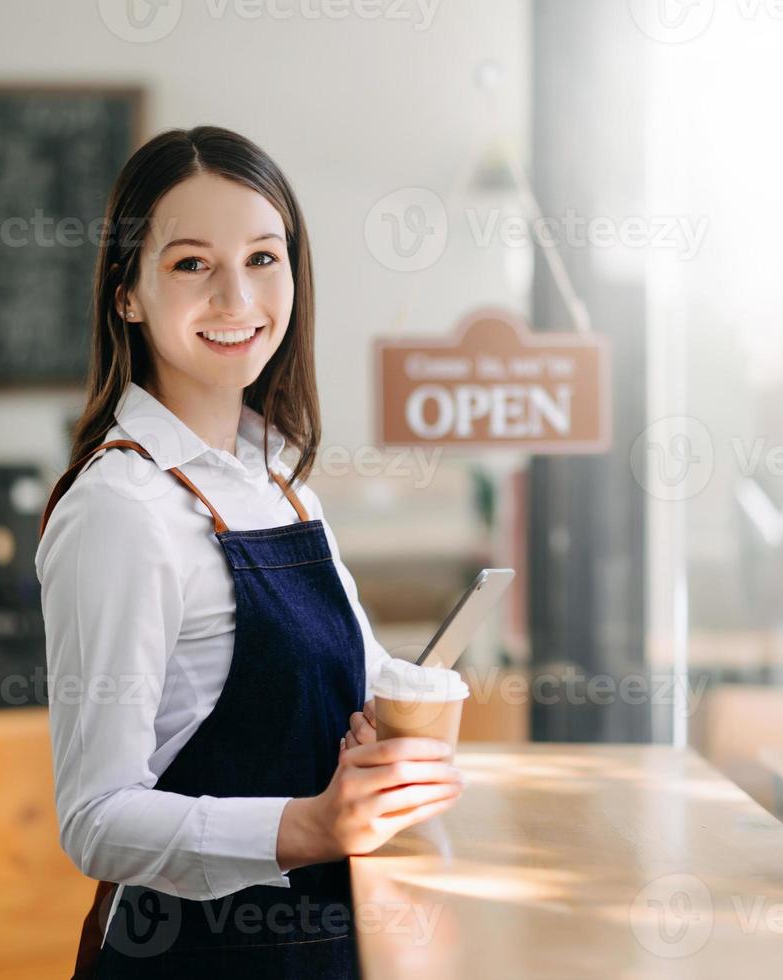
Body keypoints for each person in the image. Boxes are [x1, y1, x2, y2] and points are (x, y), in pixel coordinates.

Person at [35, 126, 464, 979]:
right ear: (127, 294)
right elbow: (94, 820)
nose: (237, 298)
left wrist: (377, 745)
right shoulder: (122, 507)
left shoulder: (279, 476)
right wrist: (310, 825)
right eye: (192, 265)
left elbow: (347, 687)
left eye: (263, 258)